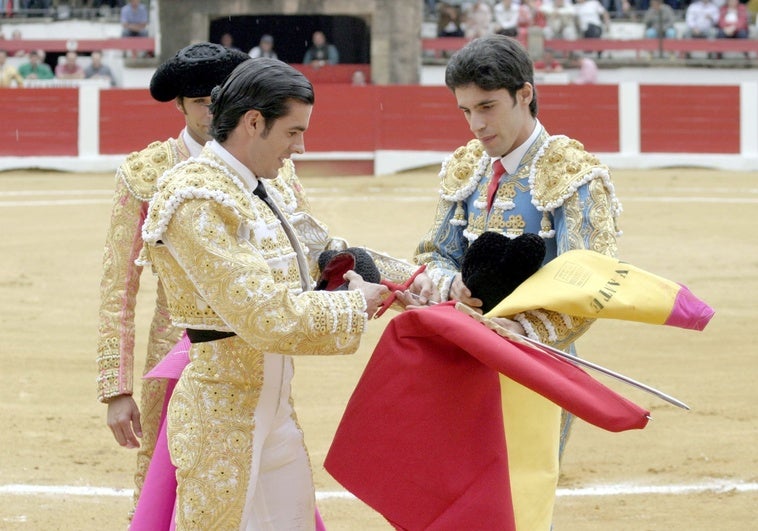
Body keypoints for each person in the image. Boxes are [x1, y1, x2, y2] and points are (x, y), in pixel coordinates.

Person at [138, 56, 389, 529]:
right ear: (254, 122)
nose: (301, 146)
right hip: (220, 414)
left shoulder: (258, 187)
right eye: (293, 132)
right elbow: (263, 316)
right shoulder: (193, 197)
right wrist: (355, 304)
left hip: (273, 408)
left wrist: (420, 281)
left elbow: (329, 253)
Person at [402, 34, 621, 530]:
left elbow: (591, 283)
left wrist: (521, 333)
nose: (477, 125)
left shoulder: (575, 175)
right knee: (453, 497)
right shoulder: (465, 169)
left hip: (534, 365)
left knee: (519, 500)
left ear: (524, 94)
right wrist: (449, 283)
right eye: (464, 111)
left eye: (487, 106)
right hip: (460, 362)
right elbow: (433, 254)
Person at [96, 42, 251, 521]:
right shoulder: (146, 173)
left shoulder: (266, 164)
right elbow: (117, 287)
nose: (213, 110)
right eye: (201, 101)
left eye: (220, 98)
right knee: (168, 480)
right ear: (180, 104)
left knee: (252, 471)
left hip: (254, 343)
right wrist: (115, 386)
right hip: (175, 346)